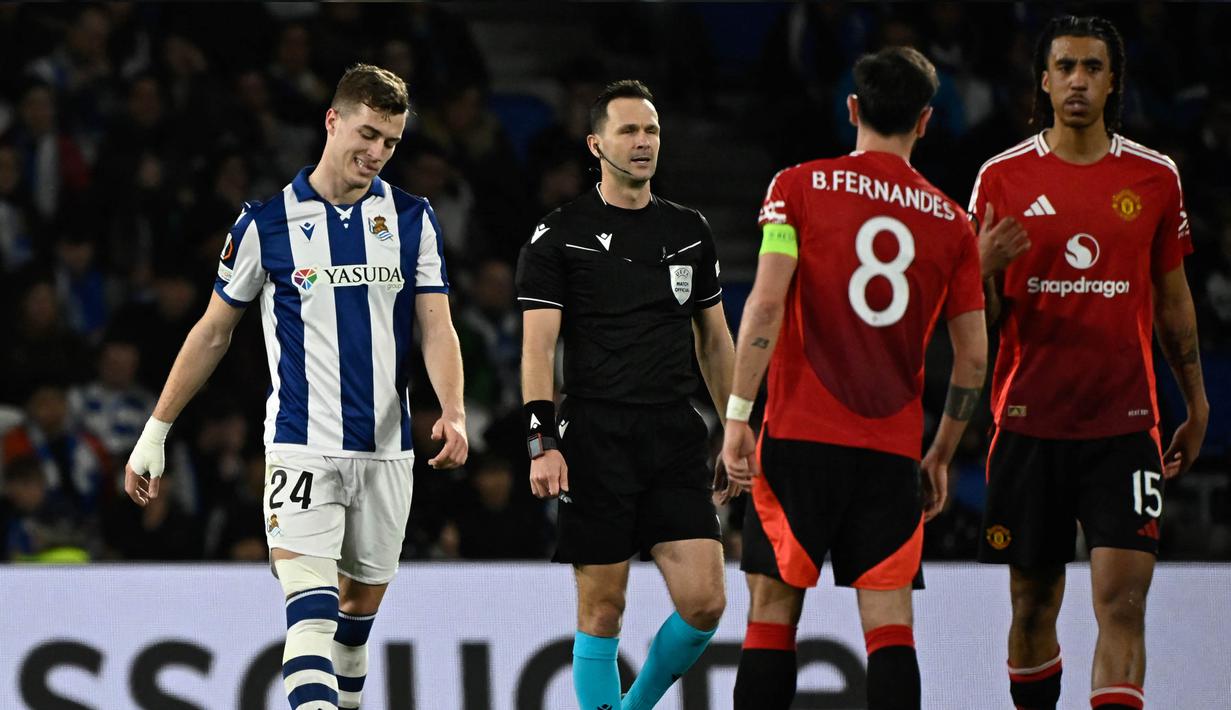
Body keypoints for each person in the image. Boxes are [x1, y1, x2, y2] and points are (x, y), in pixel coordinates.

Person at [123, 64, 468, 710]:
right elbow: (212, 333)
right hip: (300, 446)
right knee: (311, 611)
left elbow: (436, 325)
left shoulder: (412, 219)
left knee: (355, 622)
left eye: (390, 142)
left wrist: (453, 409)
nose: (377, 152)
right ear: (332, 121)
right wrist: (155, 431)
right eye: (367, 134)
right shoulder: (265, 224)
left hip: (387, 451)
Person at [721, 47, 987, 710]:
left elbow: (765, 305)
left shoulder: (795, 188)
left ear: (852, 108)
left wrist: (736, 415)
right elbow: (973, 358)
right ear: (925, 121)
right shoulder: (954, 224)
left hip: (799, 439)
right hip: (891, 450)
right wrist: (941, 452)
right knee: (890, 627)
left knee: (771, 613)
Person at [969, 16, 1208, 710]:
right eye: (1065, 67)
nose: (1077, 80)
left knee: (1123, 603)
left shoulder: (1154, 177)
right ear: (1043, 82)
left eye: (1092, 67)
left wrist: (1195, 402)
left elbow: (1173, 301)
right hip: (1028, 423)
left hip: (1124, 425)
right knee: (1031, 605)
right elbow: (976, 320)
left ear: (1112, 83)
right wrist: (978, 270)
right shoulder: (1000, 177)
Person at [516, 79, 735, 710]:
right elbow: (538, 350)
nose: (643, 142)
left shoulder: (689, 230)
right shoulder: (559, 235)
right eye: (629, 130)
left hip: (674, 433)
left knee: (705, 602)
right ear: (596, 144)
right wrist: (541, 442)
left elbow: (715, 342)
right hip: (596, 436)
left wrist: (738, 428)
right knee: (603, 609)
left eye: (652, 130)